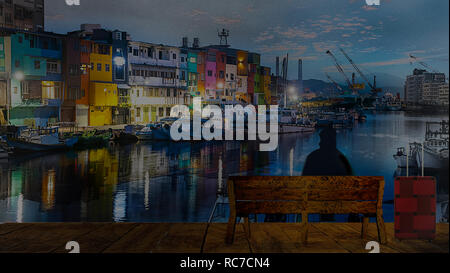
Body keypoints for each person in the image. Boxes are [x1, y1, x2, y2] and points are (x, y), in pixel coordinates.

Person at [302, 126, 358, 222]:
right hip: (340, 201)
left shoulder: (312, 157)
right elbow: (353, 184)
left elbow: (303, 182)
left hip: (314, 200)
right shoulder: (342, 159)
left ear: (322, 139)